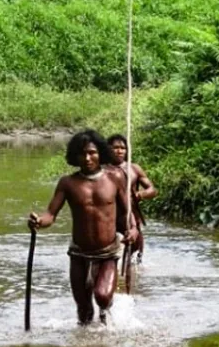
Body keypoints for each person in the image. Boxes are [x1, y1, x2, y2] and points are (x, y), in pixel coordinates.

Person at [28, 130, 138, 325]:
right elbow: (50, 215)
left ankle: (107, 318)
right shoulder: (68, 183)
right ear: (75, 156)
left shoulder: (115, 178)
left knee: (102, 296)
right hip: (79, 253)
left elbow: (125, 211)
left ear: (100, 153)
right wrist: (39, 222)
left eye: (92, 152)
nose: (87, 158)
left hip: (107, 252)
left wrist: (133, 228)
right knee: (83, 308)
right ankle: (85, 345)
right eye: (82, 154)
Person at [107, 134, 158, 260]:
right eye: (115, 148)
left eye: (122, 148)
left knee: (135, 250)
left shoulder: (134, 168)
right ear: (108, 149)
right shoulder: (103, 170)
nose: (119, 151)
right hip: (109, 215)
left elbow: (152, 190)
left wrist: (139, 195)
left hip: (130, 215)